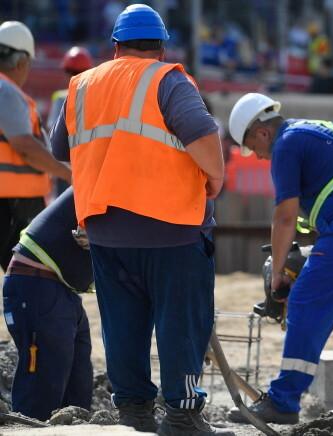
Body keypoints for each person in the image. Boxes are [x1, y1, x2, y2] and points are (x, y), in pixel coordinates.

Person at [49, 4, 229, 435]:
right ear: (161, 47)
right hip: (173, 230)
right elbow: (202, 137)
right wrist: (215, 179)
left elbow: (60, 149)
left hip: (108, 233)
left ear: (115, 46)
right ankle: (183, 416)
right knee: (179, 323)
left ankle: (133, 416)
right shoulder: (167, 80)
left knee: (123, 325)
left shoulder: (82, 86)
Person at [226, 93, 333, 423]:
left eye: (253, 147)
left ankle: (284, 400)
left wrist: (277, 272)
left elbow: (285, 217)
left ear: (261, 132)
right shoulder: (322, 128)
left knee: (305, 299)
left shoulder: (285, 145)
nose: (259, 157)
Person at [2, 187, 93, 421]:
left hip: (61, 288)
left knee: (77, 389)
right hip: (37, 283)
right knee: (41, 391)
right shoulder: (112, 178)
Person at [0, 21, 72, 271]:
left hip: (12, 199)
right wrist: (67, 173)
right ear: (21, 63)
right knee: (33, 272)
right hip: (14, 201)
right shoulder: (6, 91)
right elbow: (25, 146)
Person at [47, 46, 94, 196]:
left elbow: (53, 135)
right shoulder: (96, 95)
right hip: (89, 167)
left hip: (67, 168)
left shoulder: (61, 97)